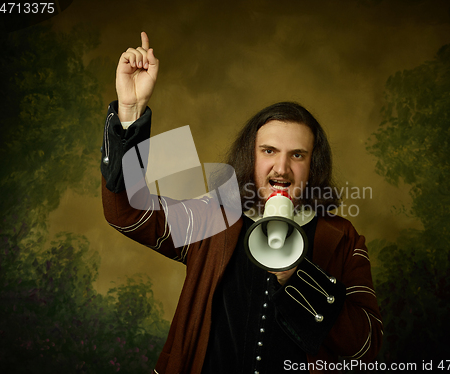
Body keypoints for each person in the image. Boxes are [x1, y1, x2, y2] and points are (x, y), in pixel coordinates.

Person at [101, 32, 383, 374]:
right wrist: (131, 110)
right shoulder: (213, 218)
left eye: (297, 155)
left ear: (313, 166)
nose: (281, 168)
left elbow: (366, 347)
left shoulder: (342, 238)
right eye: (269, 151)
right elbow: (127, 213)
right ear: (250, 158)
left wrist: (298, 274)